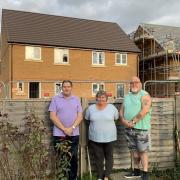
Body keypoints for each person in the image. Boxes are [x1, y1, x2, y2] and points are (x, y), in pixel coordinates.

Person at [49, 80, 83, 180]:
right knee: (60, 158)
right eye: (64, 87)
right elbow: (52, 116)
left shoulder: (76, 99)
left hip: (74, 134)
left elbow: (80, 116)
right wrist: (64, 129)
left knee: (73, 158)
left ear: (71, 88)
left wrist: (71, 128)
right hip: (59, 134)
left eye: (68, 86)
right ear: (61, 88)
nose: (66, 88)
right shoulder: (55, 99)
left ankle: (73, 178)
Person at [120, 76, 152, 180]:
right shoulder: (127, 96)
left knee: (143, 151)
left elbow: (145, 110)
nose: (134, 84)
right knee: (134, 152)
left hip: (141, 129)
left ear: (140, 83)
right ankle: (136, 171)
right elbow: (121, 110)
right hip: (128, 128)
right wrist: (124, 121)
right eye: (132, 83)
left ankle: (145, 174)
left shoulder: (145, 95)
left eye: (136, 82)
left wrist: (133, 121)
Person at [85, 90, 119, 180]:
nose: (101, 99)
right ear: (96, 98)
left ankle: (107, 175)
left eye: (103, 97)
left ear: (106, 99)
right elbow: (87, 119)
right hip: (95, 137)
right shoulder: (91, 108)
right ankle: (100, 175)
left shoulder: (112, 108)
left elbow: (116, 118)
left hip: (110, 137)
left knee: (109, 156)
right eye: (99, 97)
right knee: (98, 157)